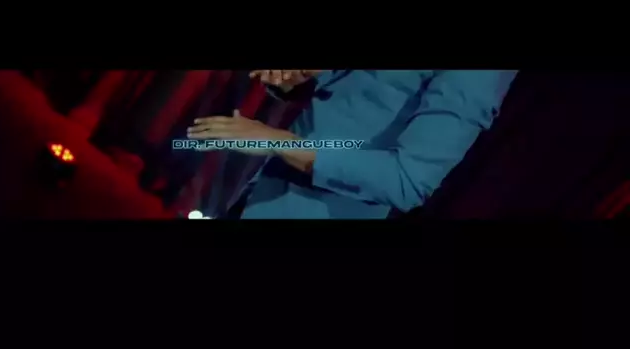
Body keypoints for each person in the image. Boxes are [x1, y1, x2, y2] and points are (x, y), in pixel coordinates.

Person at [187, 70, 517, 219]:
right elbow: (361, 94)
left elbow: (407, 180)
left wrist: (280, 141)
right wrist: (300, 78)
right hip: (259, 196)